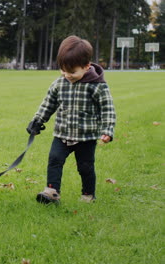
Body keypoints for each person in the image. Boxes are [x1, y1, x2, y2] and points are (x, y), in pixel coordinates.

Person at [26, 35, 116, 204]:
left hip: (86, 137)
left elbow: (108, 109)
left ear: (87, 66)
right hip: (62, 134)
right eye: (62, 70)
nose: (66, 75)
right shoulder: (59, 84)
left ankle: (88, 195)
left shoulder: (97, 86)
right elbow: (48, 104)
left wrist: (108, 130)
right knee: (54, 159)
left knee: (85, 167)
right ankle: (52, 192)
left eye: (72, 71)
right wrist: (38, 120)